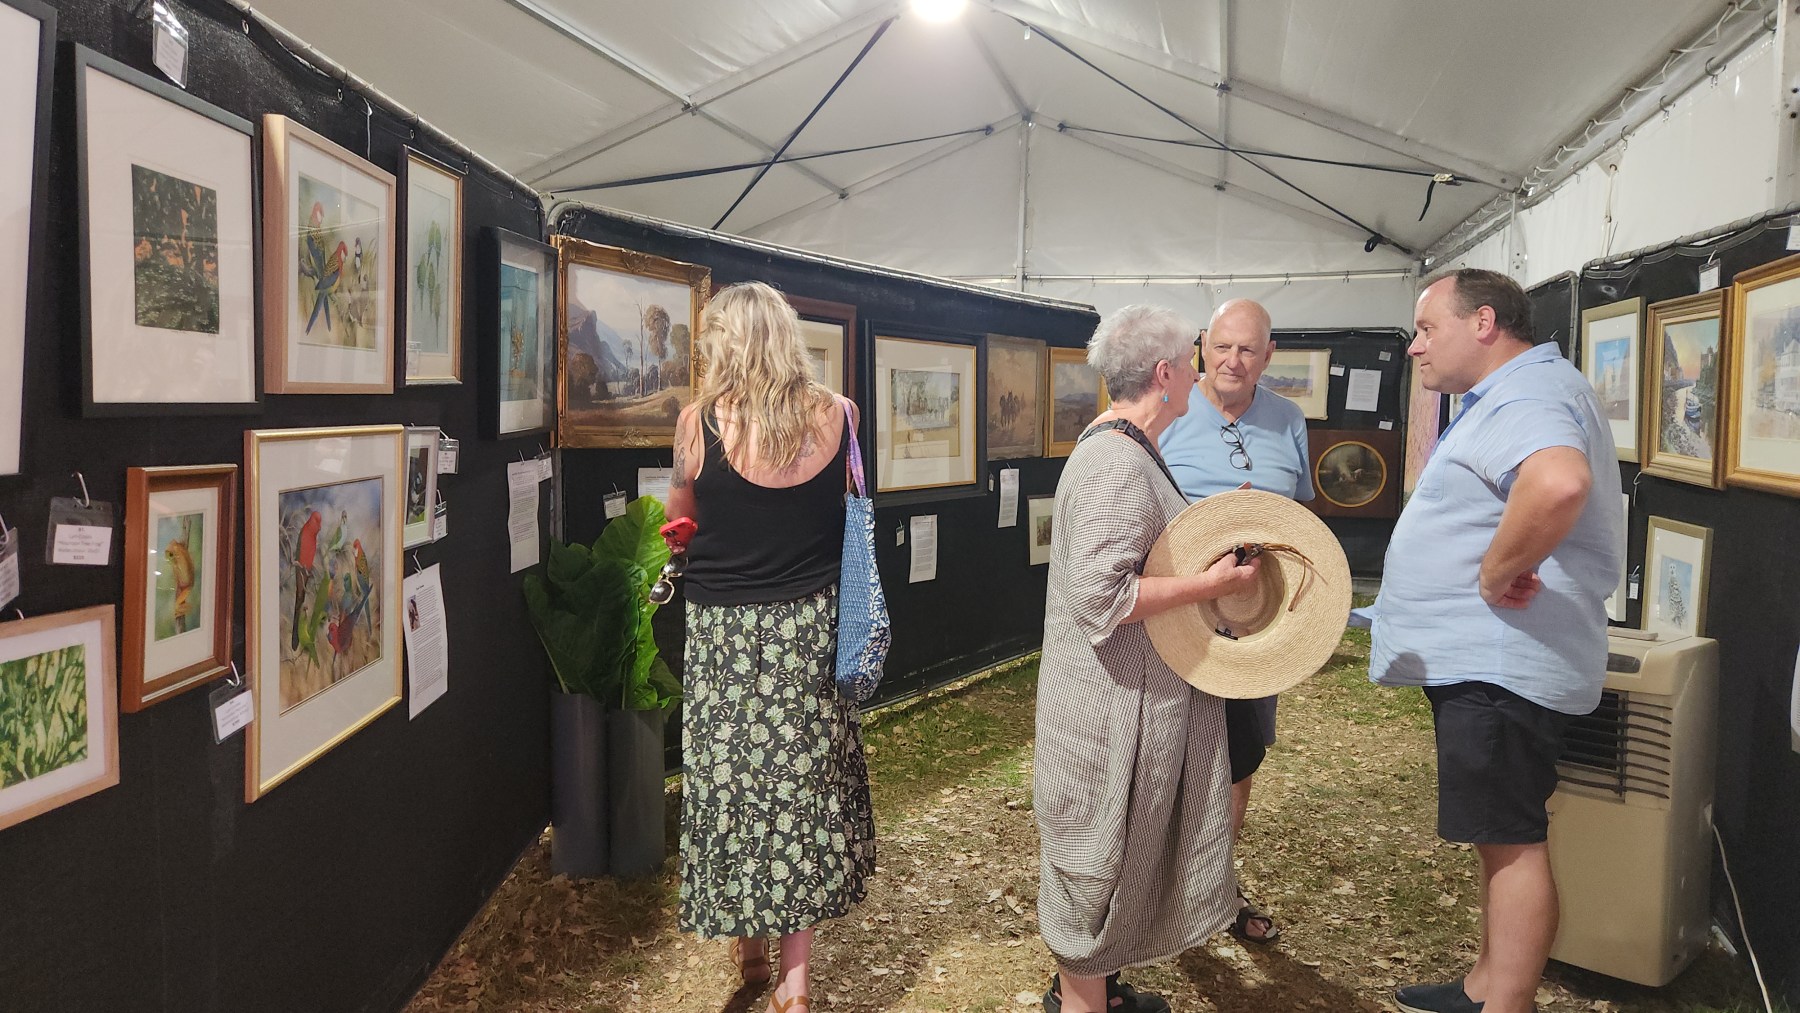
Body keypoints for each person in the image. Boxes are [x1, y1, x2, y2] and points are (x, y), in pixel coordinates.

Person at [1370, 269, 1621, 1013]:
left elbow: (1559, 482)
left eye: (1426, 329)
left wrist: (1492, 573)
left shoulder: (1526, 392)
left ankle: (1506, 1002)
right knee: (1499, 833)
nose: (1415, 347)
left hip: (1503, 662)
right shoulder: (1521, 389)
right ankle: (1487, 985)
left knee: (1512, 839)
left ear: (1483, 323)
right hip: (1496, 661)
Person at [1035, 304, 1266, 1013]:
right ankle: (1083, 1000)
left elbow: (1143, 556)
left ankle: (1099, 992)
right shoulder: (1113, 461)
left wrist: (1218, 530)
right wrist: (1213, 585)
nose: (1200, 374)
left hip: (1124, 700)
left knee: (1115, 861)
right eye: (1192, 362)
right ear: (1164, 375)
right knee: (1096, 867)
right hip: (1109, 710)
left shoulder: (1129, 449)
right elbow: (1102, 598)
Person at [663, 281, 875, 1013]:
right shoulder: (840, 415)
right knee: (800, 790)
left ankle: (750, 951)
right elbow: (851, 512)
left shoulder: (696, 424)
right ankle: (794, 982)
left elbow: (679, 519)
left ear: (725, 343)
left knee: (736, 787)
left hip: (723, 634)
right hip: (809, 627)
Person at [1159, 298, 1313, 945]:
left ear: (1269, 354)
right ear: (1202, 345)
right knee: (1161, 759)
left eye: (1248, 349)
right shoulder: (1167, 412)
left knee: (1237, 761)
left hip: (1253, 625)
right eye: (1222, 346)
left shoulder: (1289, 420)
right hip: (1172, 623)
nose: (1233, 360)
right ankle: (1155, 897)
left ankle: (1213, 892)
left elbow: (1302, 521)